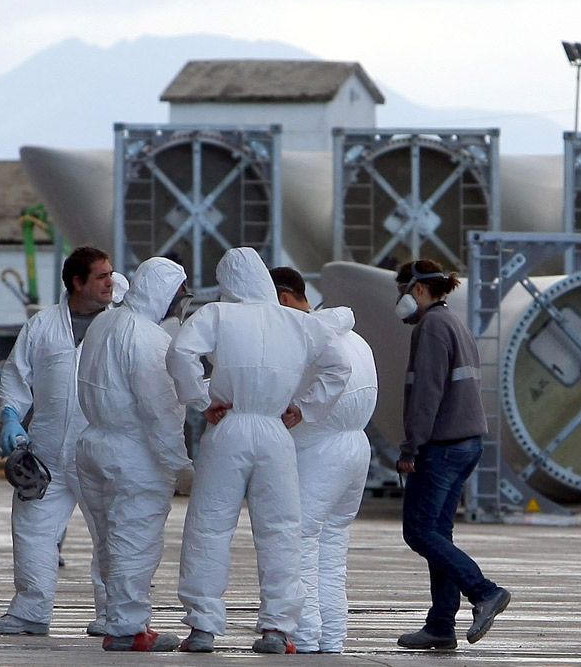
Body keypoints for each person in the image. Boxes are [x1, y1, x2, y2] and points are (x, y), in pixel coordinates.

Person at [167, 247, 351, 654]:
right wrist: (306, 408)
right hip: (274, 429)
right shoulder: (298, 322)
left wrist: (200, 398)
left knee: (210, 527)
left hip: (228, 427)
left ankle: (203, 626)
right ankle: (277, 628)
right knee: (281, 529)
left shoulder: (216, 315)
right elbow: (339, 365)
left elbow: (180, 352)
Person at [0, 246, 112, 637]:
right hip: (46, 453)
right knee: (33, 530)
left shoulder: (122, 326)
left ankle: (117, 615)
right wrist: (10, 414)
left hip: (101, 450)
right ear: (77, 282)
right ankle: (30, 612)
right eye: (101, 276)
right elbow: (16, 374)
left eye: (111, 274)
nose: (111, 282)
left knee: (114, 534)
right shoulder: (43, 326)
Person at [75, 257, 193, 652]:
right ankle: (128, 629)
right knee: (135, 541)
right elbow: (160, 411)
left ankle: (115, 617)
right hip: (134, 454)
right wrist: (180, 465)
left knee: (110, 541)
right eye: (181, 295)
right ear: (164, 294)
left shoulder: (105, 322)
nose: (182, 304)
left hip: (94, 444)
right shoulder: (149, 339)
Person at [393, 259, 511, 651]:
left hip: (441, 446)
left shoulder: (431, 328)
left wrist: (412, 447)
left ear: (420, 290)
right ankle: (440, 626)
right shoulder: (455, 322)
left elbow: (426, 395)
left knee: (420, 531)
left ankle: (484, 591)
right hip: (467, 443)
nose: (401, 299)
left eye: (403, 290)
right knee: (438, 534)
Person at [269, 266, 377, 653]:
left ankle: (305, 634)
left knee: (300, 541)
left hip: (317, 450)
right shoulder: (357, 340)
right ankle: (332, 636)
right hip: (355, 450)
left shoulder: (306, 341)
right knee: (333, 549)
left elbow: (278, 392)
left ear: (282, 299)